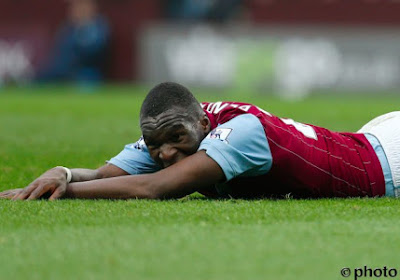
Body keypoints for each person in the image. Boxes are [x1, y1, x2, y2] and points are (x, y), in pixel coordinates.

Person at [1, 82, 399, 200]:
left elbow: (154, 187)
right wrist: (64, 173)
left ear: (204, 123)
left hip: (389, 163)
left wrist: (64, 195)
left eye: (177, 139)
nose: (166, 153)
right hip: (368, 138)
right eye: (155, 145)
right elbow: (107, 175)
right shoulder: (169, 128)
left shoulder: (241, 132)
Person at [35, 0, 110, 83]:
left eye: (79, 6)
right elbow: (58, 58)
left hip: (84, 75)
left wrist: (82, 29)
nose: (74, 10)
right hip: (61, 74)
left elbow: (92, 52)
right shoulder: (67, 29)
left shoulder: (98, 28)